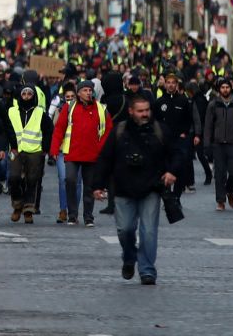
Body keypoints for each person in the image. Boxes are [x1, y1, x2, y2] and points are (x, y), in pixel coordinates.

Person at [91, 96, 179, 286]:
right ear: (131, 111)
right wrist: (97, 185)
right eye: (140, 111)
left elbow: (177, 153)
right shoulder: (120, 131)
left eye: (147, 110)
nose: (145, 114)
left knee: (148, 232)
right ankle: (129, 257)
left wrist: (172, 171)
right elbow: (105, 159)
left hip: (151, 188)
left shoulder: (160, 130)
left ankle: (147, 270)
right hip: (123, 189)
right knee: (125, 230)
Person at [49, 78, 107, 226]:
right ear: (79, 93)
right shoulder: (69, 107)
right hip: (72, 153)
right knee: (70, 180)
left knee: (89, 186)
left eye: (90, 90)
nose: (88, 93)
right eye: (85, 90)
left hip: (92, 154)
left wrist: (102, 150)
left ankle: (88, 217)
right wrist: (54, 149)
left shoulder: (101, 108)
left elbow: (107, 131)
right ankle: (72, 215)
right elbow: (59, 129)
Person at [3, 84, 50, 224]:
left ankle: (28, 210)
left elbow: (48, 130)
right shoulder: (11, 111)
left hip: (34, 150)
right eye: (24, 94)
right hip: (16, 150)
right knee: (13, 178)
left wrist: (45, 148)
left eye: (29, 94)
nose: (27, 97)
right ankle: (17, 205)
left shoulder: (40, 112)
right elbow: (6, 128)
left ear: (33, 96)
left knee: (32, 180)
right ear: (20, 96)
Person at [201, 77, 233, 211]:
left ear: (231, 88)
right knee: (220, 174)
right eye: (222, 87)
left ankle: (229, 191)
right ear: (219, 89)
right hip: (218, 144)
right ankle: (220, 201)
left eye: (227, 87)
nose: (225, 89)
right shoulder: (213, 105)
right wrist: (207, 145)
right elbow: (208, 126)